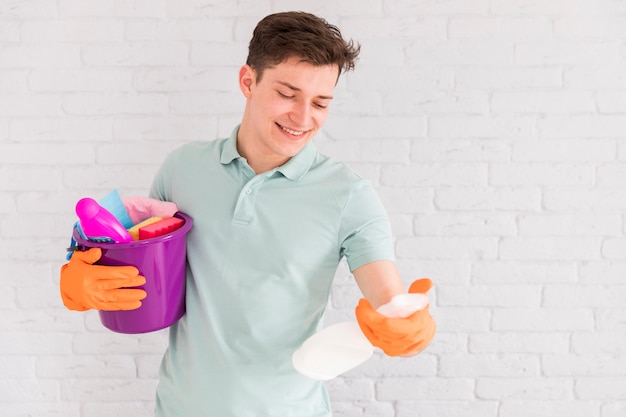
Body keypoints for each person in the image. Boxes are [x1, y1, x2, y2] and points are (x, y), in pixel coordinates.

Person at [60, 11, 436, 417]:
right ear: (248, 81)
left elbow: (388, 299)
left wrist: (405, 325)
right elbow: (143, 275)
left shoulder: (349, 195)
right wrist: (77, 278)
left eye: (321, 102)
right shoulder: (182, 169)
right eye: (288, 93)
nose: (303, 117)